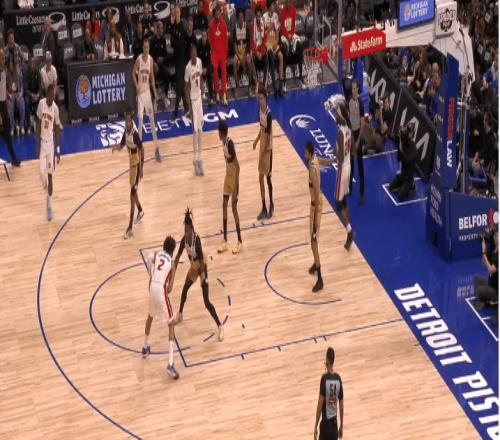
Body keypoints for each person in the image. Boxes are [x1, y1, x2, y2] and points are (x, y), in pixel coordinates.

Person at [174, 208, 224, 342]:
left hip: (202, 267)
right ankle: (180, 314)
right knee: (184, 289)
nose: (186, 232)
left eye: (188, 230)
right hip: (193, 267)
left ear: (192, 229)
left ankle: (220, 325)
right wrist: (173, 268)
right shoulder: (184, 240)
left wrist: (203, 277)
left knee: (206, 302)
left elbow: (201, 261)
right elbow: (178, 256)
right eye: (185, 230)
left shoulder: (197, 241)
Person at [142, 235, 180, 380]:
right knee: (171, 323)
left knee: (150, 316)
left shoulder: (158, 254)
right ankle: (170, 363)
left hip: (152, 287)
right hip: (161, 290)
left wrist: (151, 275)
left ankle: (145, 347)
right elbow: (169, 289)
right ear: (173, 250)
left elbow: (149, 257)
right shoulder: (172, 264)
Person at [326, 94, 355, 250]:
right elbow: (349, 149)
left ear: (341, 117)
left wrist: (333, 156)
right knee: (344, 201)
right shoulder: (348, 128)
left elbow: (340, 156)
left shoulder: (340, 133)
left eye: (337, 114)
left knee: (338, 203)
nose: (335, 117)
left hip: (343, 168)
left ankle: (349, 231)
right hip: (349, 167)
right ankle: (348, 231)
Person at [111, 112, 145, 239]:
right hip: (131, 166)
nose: (127, 123)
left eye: (129, 121)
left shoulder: (135, 134)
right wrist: (115, 148)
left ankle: (130, 228)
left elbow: (142, 149)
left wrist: (142, 168)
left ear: (132, 121)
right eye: (126, 121)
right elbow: (121, 145)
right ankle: (140, 211)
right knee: (133, 192)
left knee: (131, 195)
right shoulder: (126, 132)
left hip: (136, 165)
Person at [132, 39, 162, 162]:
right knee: (140, 122)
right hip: (140, 94)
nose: (146, 49)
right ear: (142, 48)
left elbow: (152, 77)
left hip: (148, 94)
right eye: (144, 47)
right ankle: (139, 150)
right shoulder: (139, 59)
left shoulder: (150, 60)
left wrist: (155, 92)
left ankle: (157, 149)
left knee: (152, 122)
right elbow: (133, 74)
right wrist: (136, 86)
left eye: (147, 47)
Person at [217, 120, 243, 254]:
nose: (217, 134)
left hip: (234, 179)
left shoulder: (230, 144)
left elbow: (238, 166)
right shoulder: (223, 143)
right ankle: (225, 240)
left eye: (218, 132)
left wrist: (236, 186)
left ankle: (240, 242)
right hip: (228, 176)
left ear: (221, 133)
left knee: (233, 208)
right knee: (224, 205)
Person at [36, 84, 61, 222]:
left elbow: (57, 129)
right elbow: (38, 123)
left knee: (50, 176)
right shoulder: (41, 104)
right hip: (42, 143)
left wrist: (58, 150)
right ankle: (46, 189)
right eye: (50, 95)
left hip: (50, 145)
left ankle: (49, 206)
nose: (52, 98)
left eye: (54, 96)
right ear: (47, 94)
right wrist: (36, 144)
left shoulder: (55, 109)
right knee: (41, 173)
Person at [253, 85, 274, 220]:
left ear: (265, 98)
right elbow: (261, 129)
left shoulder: (268, 114)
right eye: (258, 98)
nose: (259, 101)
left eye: (261, 98)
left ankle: (271, 205)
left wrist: (265, 151)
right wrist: (256, 141)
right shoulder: (259, 111)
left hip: (268, 148)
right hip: (262, 145)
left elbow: (268, 134)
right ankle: (264, 207)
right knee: (260, 178)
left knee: (267, 178)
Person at [305, 141, 324, 292]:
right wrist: (329, 161)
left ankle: (320, 279)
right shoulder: (314, 159)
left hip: (315, 205)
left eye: (306, 152)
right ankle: (315, 264)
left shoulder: (312, 169)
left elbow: (316, 192)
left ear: (310, 152)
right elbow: (320, 161)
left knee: (313, 241)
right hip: (316, 204)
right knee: (312, 240)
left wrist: (316, 224)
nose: (304, 154)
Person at [313, 347, 344, 440]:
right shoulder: (338, 379)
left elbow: (319, 406)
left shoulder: (324, 378)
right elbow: (341, 407)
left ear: (327, 360)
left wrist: (315, 425)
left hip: (325, 426)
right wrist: (341, 426)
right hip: (334, 426)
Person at [184, 44, 205, 176]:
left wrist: (203, 94)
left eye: (195, 54)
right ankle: (194, 158)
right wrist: (189, 108)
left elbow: (201, 78)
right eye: (192, 54)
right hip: (192, 100)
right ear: (190, 55)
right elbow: (185, 88)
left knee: (201, 130)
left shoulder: (199, 62)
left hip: (199, 99)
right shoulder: (187, 68)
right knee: (195, 131)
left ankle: (200, 158)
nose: (194, 56)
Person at [0, 49, 21, 167]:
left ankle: (14, 159)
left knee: (8, 134)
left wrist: (7, 96)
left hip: (3, 104)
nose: (4, 58)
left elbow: (2, 87)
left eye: (4, 56)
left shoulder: (4, 70)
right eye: (2, 57)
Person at [280, 0, 305, 89]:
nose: (287, 4)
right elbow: (282, 27)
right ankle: (284, 82)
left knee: (300, 46)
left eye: (288, 3)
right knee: (285, 49)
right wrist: (287, 35)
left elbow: (293, 25)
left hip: (292, 33)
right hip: (284, 35)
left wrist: (291, 34)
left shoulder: (293, 9)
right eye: (285, 3)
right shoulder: (282, 12)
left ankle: (300, 77)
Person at [389, 122, 417, 201]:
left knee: (400, 197)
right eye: (408, 132)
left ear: (413, 134)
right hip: (403, 174)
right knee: (390, 187)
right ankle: (402, 185)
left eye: (410, 132)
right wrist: (400, 140)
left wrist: (401, 149)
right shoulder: (404, 144)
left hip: (409, 177)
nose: (409, 134)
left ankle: (412, 186)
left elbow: (408, 160)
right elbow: (399, 158)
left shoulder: (414, 149)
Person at [348, 79, 365, 204]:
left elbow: (362, 123)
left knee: (359, 165)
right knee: (350, 162)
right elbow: (349, 118)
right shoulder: (350, 100)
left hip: (358, 134)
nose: (353, 90)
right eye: (352, 88)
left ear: (358, 89)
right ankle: (349, 187)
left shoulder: (360, 102)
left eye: (354, 88)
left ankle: (362, 193)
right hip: (351, 135)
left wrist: (358, 139)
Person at [474, 228, 498, 313]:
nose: (494, 237)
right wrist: (485, 248)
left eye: (496, 235)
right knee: (476, 279)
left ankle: (484, 301)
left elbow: (491, 270)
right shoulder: (494, 249)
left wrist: (484, 253)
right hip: (492, 282)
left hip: (497, 290)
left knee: (478, 291)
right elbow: (484, 263)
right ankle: (484, 300)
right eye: (494, 235)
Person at [208, 5, 229, 105]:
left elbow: (225, 40)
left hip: (222, 52)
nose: (217, 15)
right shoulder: (211, 25)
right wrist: (212, 53)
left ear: (220, 13)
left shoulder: (223, 24)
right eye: (216, 13)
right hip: (215, 53)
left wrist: (225, 53)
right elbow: (210, 40)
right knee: (215, 72)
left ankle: (224, 94)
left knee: (224, 72)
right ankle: (217, 93)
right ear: (214, 14)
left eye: (219, 13)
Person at [171, 4, 189, 120]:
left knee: (179, 86)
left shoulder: (182, 26)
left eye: (177, 11)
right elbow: (173, 43)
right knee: (181, 86)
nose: (176, 13)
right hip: (176, 60)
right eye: (174, 12)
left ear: (180, 13)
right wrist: (176, 41)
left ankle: (175, 112)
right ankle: (187, 108)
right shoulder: (173, 27)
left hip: (182, 61)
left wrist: (176, 41)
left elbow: (180, 42)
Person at [264, 0, 284, 97]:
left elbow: (277, 32)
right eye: (272, 5)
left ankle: (281, 82)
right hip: (267, 43)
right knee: (271, 58)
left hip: (274, 42)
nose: (274, 6)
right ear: (269, 7)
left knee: (281, 56)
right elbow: (263, 35)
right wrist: (269, 28)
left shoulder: (276, 16)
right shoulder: (264, 17)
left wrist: (276, 42)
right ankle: (274, 85)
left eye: (274, 5)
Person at [149, 21, 170, 110]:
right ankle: (154, 98)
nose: (162, 30)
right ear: (157, 29)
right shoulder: (152, 40)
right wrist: (154, 63)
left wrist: (163, 59)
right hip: (154, 66)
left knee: (168, 73)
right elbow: (150, 55)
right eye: (160, 28)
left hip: (162, 65)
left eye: (162, 28)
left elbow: (166, 54)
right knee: (152, 76)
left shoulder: (163, 39)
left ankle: (165, 95)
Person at [233, 9, 254, 97]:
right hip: (238, 51)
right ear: (237, 19)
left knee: (249, 62)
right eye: (239, 18)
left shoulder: (247, 27)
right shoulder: (235, 29)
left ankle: (250, 86)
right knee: (234, 62)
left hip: (245, 51)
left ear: (244, 18)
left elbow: (249, 44)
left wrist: (244, 57)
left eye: (242, 17)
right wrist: (239, 56)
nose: (241, 19)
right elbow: (234, 44)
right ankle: (237, 86)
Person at [250, 7, 268, 94]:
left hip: (261, 48)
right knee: (251, 58)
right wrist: (256, 52)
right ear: (255, 16)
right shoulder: (252, 25)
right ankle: (257, 83)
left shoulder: (262, 24)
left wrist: (261, 52)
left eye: (259, 16)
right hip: (254, 48)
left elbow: (264, 40)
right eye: (257, 16)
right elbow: (251, 42)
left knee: (266, 57)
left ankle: (264, 85)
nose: (258, 17)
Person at [7, 58, 25, 136]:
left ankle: (22, 126)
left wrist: (21, 94)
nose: (11, 66)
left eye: (12, 65)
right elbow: (4, 87)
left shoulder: (19, 72)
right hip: (10, 94)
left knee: (22, 104)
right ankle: (12, 127)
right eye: (10, 65)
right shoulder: (6, 73)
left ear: (14, 65)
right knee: (10, 107)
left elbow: (22, 85)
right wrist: (8, 94)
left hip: (18, 93)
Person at [24, 55, 41, 134]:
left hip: (36, 94)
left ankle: (40, 123)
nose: (33, 64)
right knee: (26, 102)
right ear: (29, 63)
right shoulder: (26, 73)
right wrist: (32, 95)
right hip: (29, 95)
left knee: (41, 101)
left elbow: (40, 87)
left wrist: (38, 94)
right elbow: (25, 89)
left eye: (34, 62)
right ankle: (28, 125)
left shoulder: (38, 72)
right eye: (31, 62)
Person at [198, 30, 215, 105]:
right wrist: (202, 68)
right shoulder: (198, 44)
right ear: (201, 37)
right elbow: (198, 58)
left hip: (207, 65)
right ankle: (201, 95)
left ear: (207, 37)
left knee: (210, 73)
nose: (204, 38)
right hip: (199, 65)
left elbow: (209, 59)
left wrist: (206, 68)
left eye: (205, 36)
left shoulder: (209, 44)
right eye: (203, 36)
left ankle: (211, 97)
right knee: (198, 74)